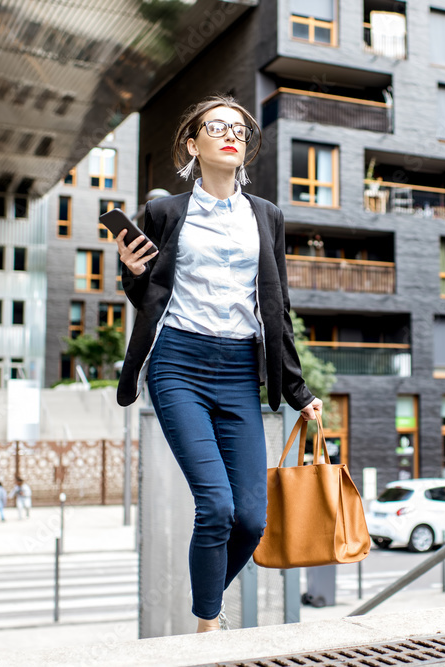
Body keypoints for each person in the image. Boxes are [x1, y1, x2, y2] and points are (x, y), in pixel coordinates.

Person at [114, 94, 323, 633]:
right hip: (178, 363)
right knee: (216, 506)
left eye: (239, 130)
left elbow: (276, 308)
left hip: (237, 371)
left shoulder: (267, 217)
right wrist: (132, 272)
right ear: (193, 143)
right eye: (217, 127)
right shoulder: (165, 212)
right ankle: (208, 625)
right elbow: (148, 294)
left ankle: (207, 596)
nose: (231, 135)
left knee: (251, 518)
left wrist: (300, 392)